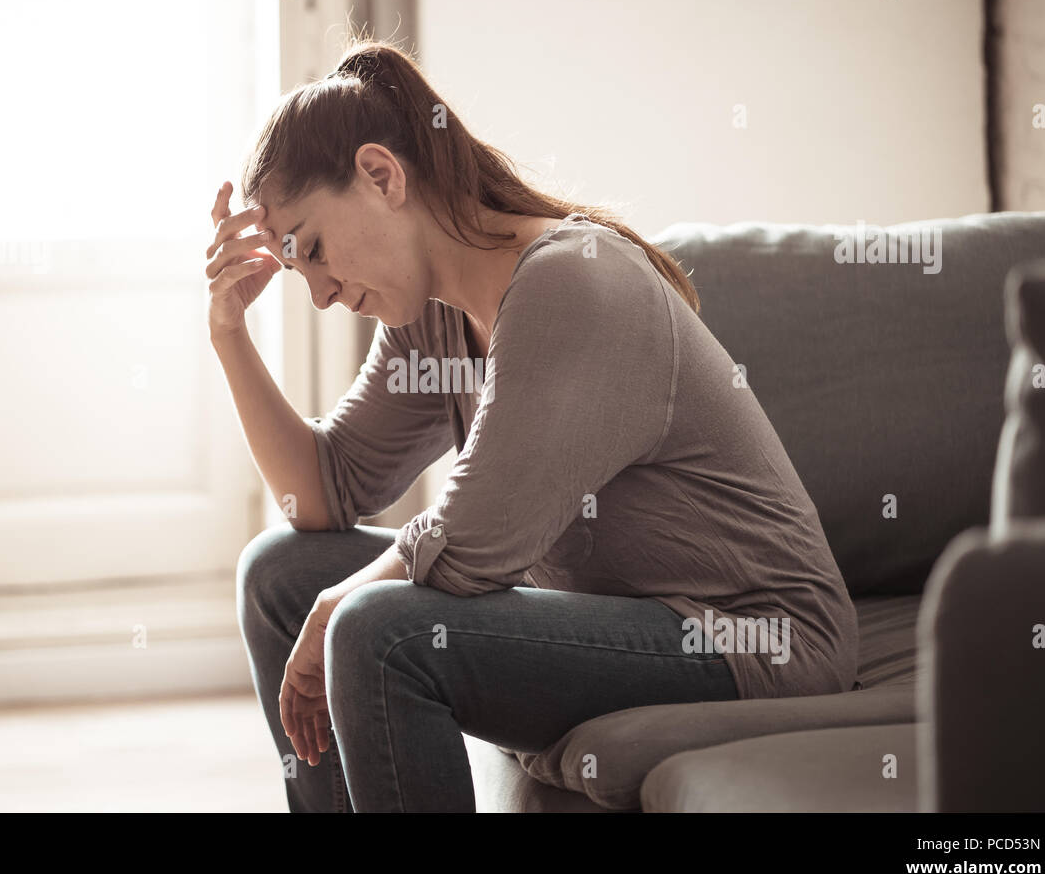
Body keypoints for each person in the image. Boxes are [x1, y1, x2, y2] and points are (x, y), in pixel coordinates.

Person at [208, 39, 858, 812]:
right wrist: (228, 336)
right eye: (295, 271)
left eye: (313, 249)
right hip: (627, 617)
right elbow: (323, 494)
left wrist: (334, 608)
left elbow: (475, 543)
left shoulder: (569, 281)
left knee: (375, 627)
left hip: (750, 637)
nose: (317, 294)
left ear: (381, 175)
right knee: (279, 574)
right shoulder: (432, 322)